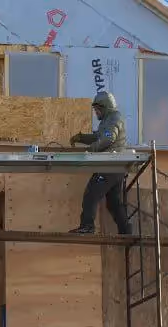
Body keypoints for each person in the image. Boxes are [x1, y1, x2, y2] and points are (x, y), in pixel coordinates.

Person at [68, 91, 131, 235]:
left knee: (91, 194)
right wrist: (81, 138)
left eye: (97, 110)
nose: (96, 113)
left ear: (105, 107)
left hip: (109, 166)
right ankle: (126, 231)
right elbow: (99, 136)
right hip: (115, 167)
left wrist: (91, 150)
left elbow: (108, 139)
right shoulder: (108, 120)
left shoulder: (114, 118)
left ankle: (87, 226)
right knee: (113, 203)